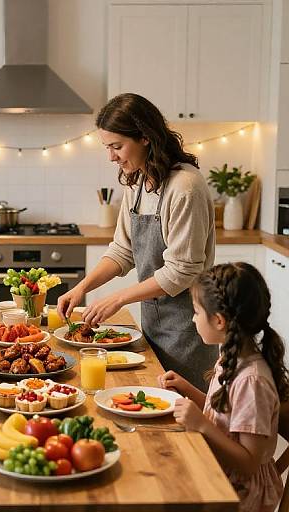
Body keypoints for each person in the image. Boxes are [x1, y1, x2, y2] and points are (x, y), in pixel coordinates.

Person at [57, 92, 216, 390]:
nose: (111, 157)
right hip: (154, 323)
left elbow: (181, 271)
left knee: (188, 424)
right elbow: (122, 250)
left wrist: (118, 298)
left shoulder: (185, 187)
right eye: (107, 147)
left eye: (117, 146)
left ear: (145, 137)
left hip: (191, 326)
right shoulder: (139, 181)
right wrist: (82, 288)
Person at [159, 262, 289, 512]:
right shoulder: (232, 357)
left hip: (239, 495)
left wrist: (201, 424)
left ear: (219, 321)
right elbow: (223, 416)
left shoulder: (253, 382)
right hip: (218, 472)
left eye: (196, 312)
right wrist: (186, 388)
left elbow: (249, 463)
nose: (193, 318)